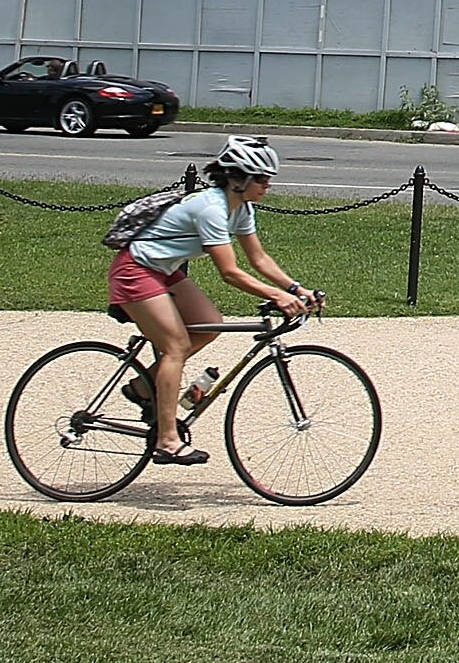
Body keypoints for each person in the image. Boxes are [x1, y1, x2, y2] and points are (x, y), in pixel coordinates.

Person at [108, 136, 320, 465]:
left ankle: (142, 387)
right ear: (239, 179)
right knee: (176, 346)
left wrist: (295, 288)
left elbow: (259, 259)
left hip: (165, 271)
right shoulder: (210, 209)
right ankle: (166, 441)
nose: (268, 185)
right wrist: (276, 296)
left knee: (210, 326)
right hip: (135, 271)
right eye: (262, 178)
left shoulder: (241, 209)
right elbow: (230, 272)